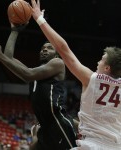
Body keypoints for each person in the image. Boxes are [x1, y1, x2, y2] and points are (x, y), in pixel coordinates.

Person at [30, 0, 121, 149]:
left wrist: (40, 19)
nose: (98, 62)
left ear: (107, 68)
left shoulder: (91, 78)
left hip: (90, 145)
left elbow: (63, 49)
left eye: (102, 60)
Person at [0, 22, 77, 149]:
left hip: (57, 122)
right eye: (42, 48)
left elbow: (27, 74)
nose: (44, 50)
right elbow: (9, 57)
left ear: (57, 54)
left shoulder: (58, 63)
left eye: (49, 48)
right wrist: (14, 30)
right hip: (44, 125)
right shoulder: (35, 72)